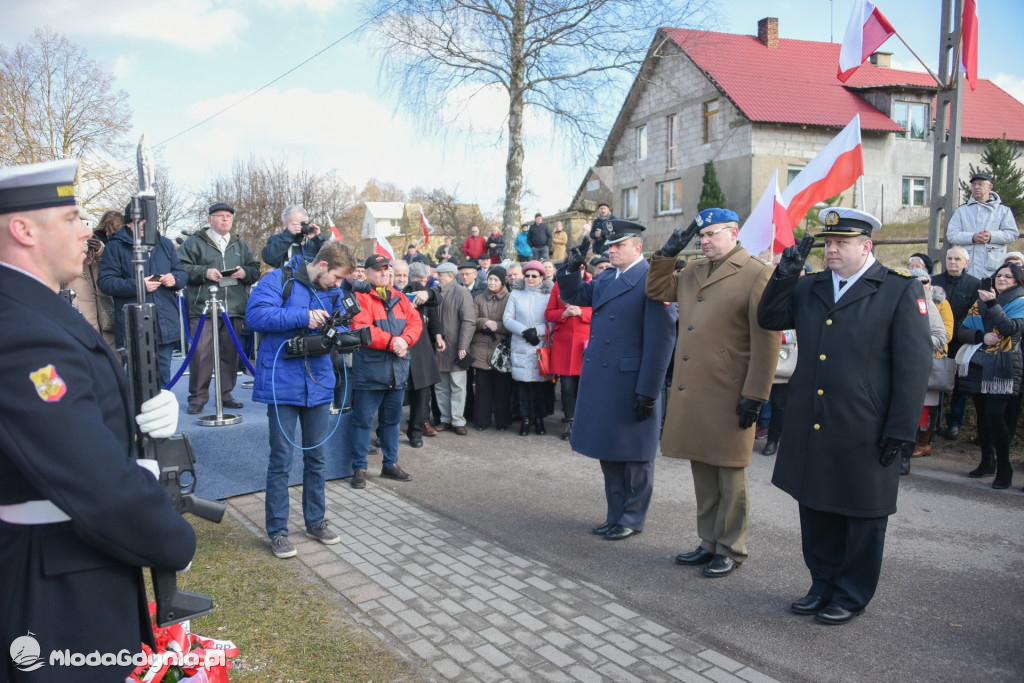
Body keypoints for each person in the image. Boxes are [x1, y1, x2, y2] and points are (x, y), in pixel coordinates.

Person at [0, 159, 195, 682]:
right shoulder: (19, 327)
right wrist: (172, 539)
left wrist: (136, 416)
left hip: (73, 566)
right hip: (55, 590)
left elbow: (72, 412)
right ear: (23, 230)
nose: (87, 230)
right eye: (70, 217)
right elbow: (90, 476)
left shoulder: (33, 308)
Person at [757, 207, 931, 625]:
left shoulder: (897, 290)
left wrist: (901, 431)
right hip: (813, 418)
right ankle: (822, 584)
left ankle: (851, 594)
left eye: (841, 243)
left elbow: (913, 366)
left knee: (862, 514)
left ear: (866, 246)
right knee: (816, 507)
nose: (831, 249)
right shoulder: (812, 286)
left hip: (865, 424)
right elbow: (769, 318)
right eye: (828, 243)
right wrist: (785, 273)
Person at [647, 208, 779, 577]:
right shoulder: (692, 271)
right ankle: (708, 542)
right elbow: (656, 288)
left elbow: (766, 341)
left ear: (734, 233)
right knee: (702, 470)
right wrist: (666, 254)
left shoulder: (756, 273)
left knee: (731, 475)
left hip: (731, 391)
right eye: (700, 236)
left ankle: (731, 548)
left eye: (712, 235)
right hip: (695, 389)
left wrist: (756, 393)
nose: (704, 241)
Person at [558, 223, 676, 539]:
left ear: (637, 248)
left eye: (618, 246)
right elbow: (574, 295)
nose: (611, 250)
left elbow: (661, 340)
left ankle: (632, 518)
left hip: (633, 380)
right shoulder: (608, 277)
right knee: (608, 450)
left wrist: (649, 391)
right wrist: (571, 269)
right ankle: (615, 514)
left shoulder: (652, 279)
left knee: (635, 455)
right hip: (603, 380)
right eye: (609, 246)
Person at [246, 242, 356, 558]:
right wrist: (303, 316)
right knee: (281, 459)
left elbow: (343, 323)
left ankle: (316, 521)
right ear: (322, 265)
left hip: (319, 383)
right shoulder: (277, 280)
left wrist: (342, 330)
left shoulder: (334, 290)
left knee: (317, 457)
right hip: (282, 383)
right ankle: (278, 531)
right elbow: (255, 316)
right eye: (336, 278)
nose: (338, 285)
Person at [345, 255, 422, 487]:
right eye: (379, 270)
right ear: (367, 273)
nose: (385, 274)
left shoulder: (400, 297)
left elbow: (415, 323)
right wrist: (394, 343)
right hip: (370, 372)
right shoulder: (360, 297)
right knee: (362, 421)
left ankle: (390, 463)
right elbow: (362, 329)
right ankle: (359, 467)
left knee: (392, 422)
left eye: (387, 270)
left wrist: (405, 341)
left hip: (396, 371)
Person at [178, 202, 261, 414]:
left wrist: (244, 273)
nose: (225, 219)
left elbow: (254, 269)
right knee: (200, 353)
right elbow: (181, 268)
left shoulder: (240, 244)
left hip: (233, 307)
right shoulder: (195, 243)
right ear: (209, 220)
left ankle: (225, 394)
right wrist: (204, 272)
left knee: (230, 353)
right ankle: (197, 397)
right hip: (203, 307)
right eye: (220, 216)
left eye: (229, 216)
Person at [98, 202, 186, 387]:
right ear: (129, 222)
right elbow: (105, 283)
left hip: (164, 322)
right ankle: (137, 416)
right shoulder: (115, 247)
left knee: (163, 379)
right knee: (136, 382)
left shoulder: (165, 244)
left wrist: (174, 279)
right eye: (141, 221)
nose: (146, 225)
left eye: (149, 221)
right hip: (133, 324)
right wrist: (139, 285)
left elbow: (181, 272)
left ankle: (162, 416)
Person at [956, 262, 1024, 489]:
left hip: (1003, 364)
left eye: (1008, 276)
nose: (1002, 279)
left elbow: (1009, 328)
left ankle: (1004, 467)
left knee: (996, 415)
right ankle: (987, 462)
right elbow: (962, 330)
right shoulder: (982, 300)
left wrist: (992, 304)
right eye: (999, 275)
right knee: (983, 417)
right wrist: (980, 336)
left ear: (1017, 281)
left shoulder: (1020, 302)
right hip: (978, 364)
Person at [931, 246, 982, 439]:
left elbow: (973, 312)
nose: (952, 262)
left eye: (957, 259)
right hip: (938, 341)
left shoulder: (974, 285)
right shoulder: (935, 282)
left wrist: (955, 330)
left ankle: (955, 424)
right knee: (936, 381)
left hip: (960, 342)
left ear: (966, 263)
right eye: (950, 258)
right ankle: (934, 422)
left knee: (961, 384)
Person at [906, 269, 951, 471]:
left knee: (913, 412)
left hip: (916, 365)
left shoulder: (927, 304)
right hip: (889, 367)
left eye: (922, 281)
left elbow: (941, 337)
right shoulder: (890, 301)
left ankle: (905, 456)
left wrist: (911, 341)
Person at [504, 260, 556, 435]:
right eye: (527, 275)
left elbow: (553, 320)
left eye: (534, 275)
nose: (530, 278)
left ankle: (539, 419)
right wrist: (525, 331)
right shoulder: (516, 293)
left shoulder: (550, 294)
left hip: (541, 345)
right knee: (523, 385)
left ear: (542, 276)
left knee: (540, 387)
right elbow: (507, 319)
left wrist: (537, 331)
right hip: (521, 343)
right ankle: (525, 419)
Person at [399, 260, 442, 446]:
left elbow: (437, 299)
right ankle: (387, 432)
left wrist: (427, 292)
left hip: (419, 348)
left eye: (403, 275)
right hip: (394, 349)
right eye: (397, 275)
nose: (400, 279)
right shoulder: (382, 290)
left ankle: (415, 432)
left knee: (421, 393)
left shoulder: (415, 287)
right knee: (392, 395)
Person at [545, 267, 592, 440]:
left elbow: (603, 312)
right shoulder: (558, 285)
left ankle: (585, 423)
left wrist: (582, 312)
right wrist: (563, 313)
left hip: (586, 343)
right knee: (566, 388)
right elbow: (549, 313)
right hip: (564, 344)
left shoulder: (592, 283)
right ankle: (570, 423)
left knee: (585, 388)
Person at [946, 171, 1019, 279]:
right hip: (968, 269)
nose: (976, 187)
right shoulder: (962, 211)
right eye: (974, 185)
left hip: (993, 268)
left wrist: (991, 236)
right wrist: (972, 237)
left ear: (990, 187)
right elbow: (951, 235)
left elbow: (1012, 234)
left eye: (980, 184)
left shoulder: (1002, 210)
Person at [67, 208, 119, 352]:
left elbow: (113, 269)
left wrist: (100, 251)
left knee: (113, 361)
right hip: (81, 314)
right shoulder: (62, 248)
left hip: (105, 315)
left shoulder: (100, 245)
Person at [433, 261, 475, 434]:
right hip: (438, 348)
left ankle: (458, 420)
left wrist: (463, 346)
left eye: (440, 275)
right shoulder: (434, 292)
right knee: (440, 385)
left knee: (458, 385)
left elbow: (469, 321)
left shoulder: (462, 292)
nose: (437, 278)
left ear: (450, 276)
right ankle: (445, 419)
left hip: (457, 348)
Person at [471, 265, 512, 430]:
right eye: (490, 279)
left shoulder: (510, 298)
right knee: (483, 386)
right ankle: (482, 420)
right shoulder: (479, 299)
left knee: (502, 387)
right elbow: (472, 319)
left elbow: (513, 321)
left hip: (501, 348)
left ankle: (502, 421)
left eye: (496, 279)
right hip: (481, 346)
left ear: (502, 281)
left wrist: (499, 326)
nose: (492, 282)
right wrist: (484, 322)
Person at [260, 204, 328, 269]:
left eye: (302, 224)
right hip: (287, 279)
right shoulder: (277, 240)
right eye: (294, 224)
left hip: (309, 280)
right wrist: (288, 236)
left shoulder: (313, 242)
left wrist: (318, 239)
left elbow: (333, 258)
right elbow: (269, 259)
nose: (299, 227)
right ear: (284, 224)